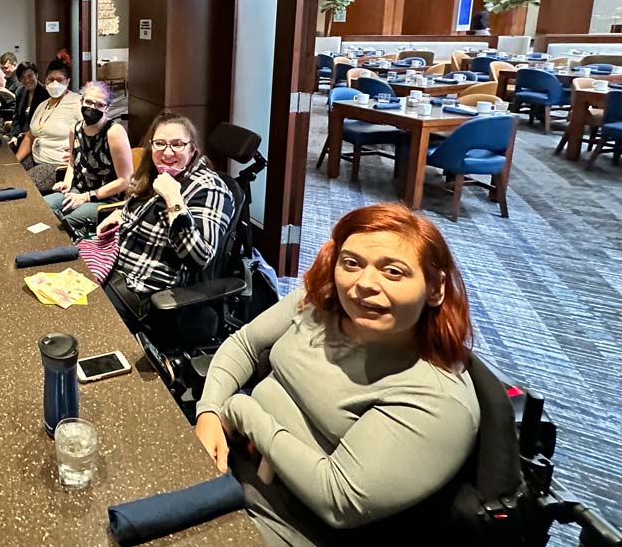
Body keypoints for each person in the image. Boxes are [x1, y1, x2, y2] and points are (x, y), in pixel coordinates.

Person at [194, 203, 479, 546]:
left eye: (393, 272)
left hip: (287, 520)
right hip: (235, 459)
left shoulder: (438, 398)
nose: (364, 284)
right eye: (352, 264)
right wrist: (209, 409)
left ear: (435, 288)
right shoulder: (321, 303)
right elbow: (246, 343)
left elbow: (337, 498)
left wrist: (240, 411)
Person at [98, 112, 234, 295]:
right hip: (112, 264)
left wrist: (174, 201)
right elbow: (146, 209)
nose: (167, 152)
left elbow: (199, 259)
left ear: (192, 150)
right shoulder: (152, 171)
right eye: (160, 143)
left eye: (178, 144)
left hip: (144, 288)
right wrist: (122, 214)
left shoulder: (211, 189)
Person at [43, 81, 133, 239]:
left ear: (107, 108)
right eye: (89, 102)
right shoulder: (75, 129)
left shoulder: (114, 132)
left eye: (99, 105)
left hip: (105, 198)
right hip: (77, 191)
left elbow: (125, 180)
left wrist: (87, 196)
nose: (92, 107)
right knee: (42, 208)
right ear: (81, 101)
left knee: (62, 225)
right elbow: (72, 161)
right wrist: (66, 182)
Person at [15, 59, 81, 193]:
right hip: (35, 157)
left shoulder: (77, 102)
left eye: (60, 80)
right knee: (7, 174)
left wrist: (79, 154)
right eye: (51, 79)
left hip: (55, 164)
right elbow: (30, 136)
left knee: (20, 186)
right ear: (45, 81)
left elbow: (94, 132)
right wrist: (15, 161)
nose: (55, 83)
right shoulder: (43, 105)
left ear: (68, 82)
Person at [8, 62, 49, 150]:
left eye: (30, 76)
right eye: (23, 77)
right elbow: (16, 118)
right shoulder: (20, 91)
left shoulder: (46, 93)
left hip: (35, 138)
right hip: (19, 136)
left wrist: (25, 135)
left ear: (36, 75)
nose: (27, 80)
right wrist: (14, 136)